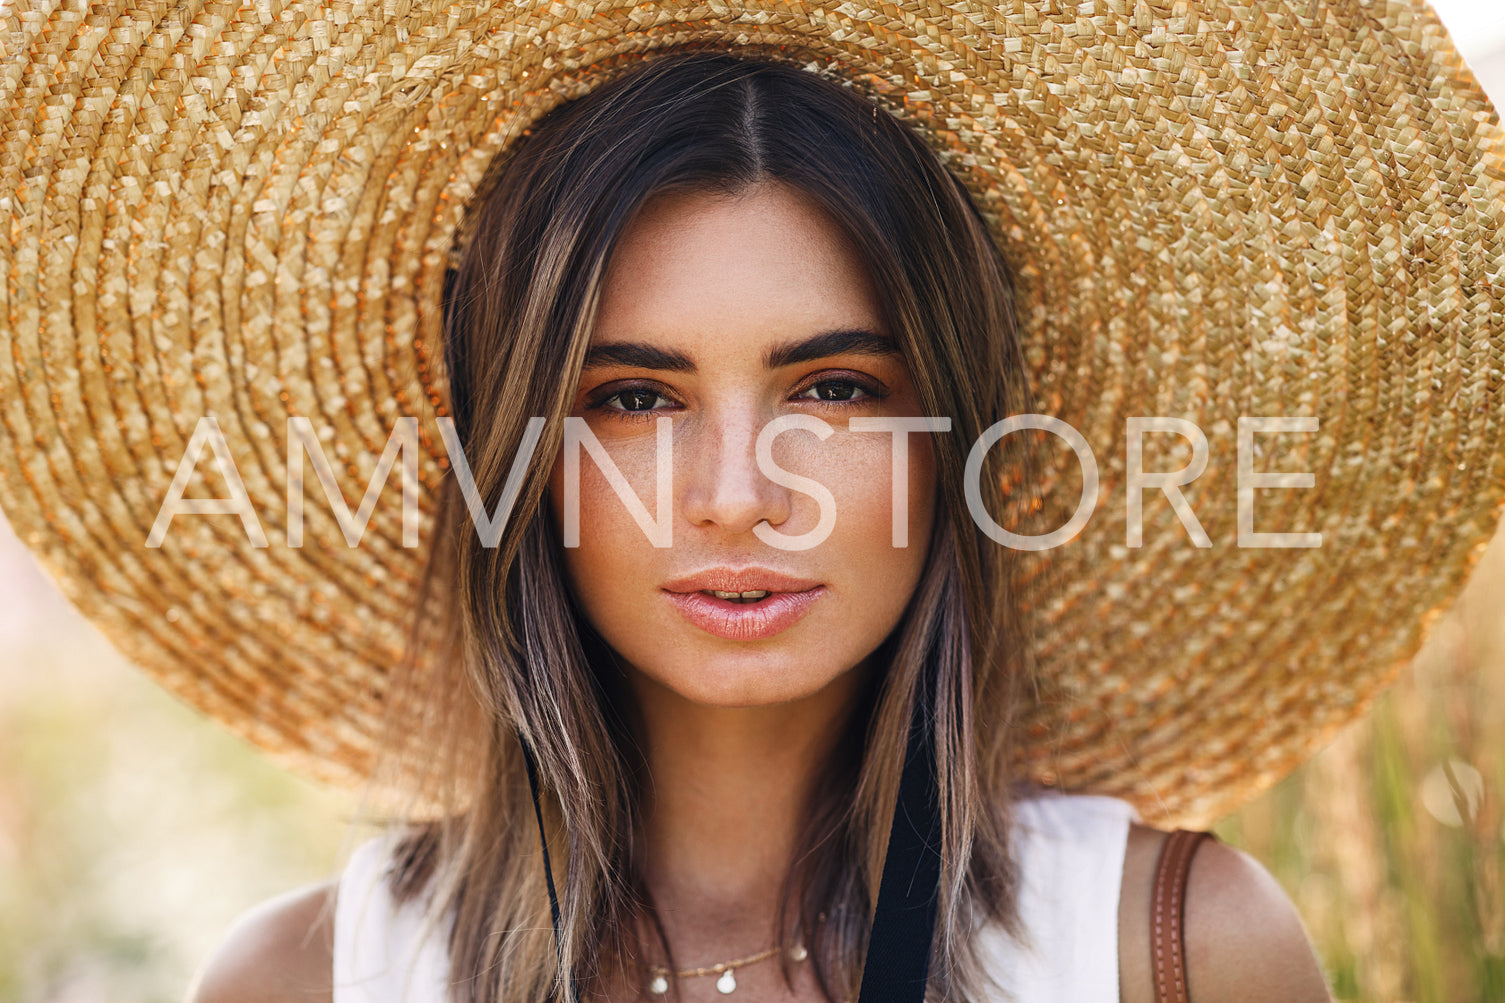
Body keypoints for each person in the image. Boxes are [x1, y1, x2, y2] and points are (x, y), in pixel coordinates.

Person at [0, 2, 1501, 1003]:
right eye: (632, 399)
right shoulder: (308, 980)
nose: (735, 496)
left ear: (953, 440)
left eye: (834, 388)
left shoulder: (1173, 951)